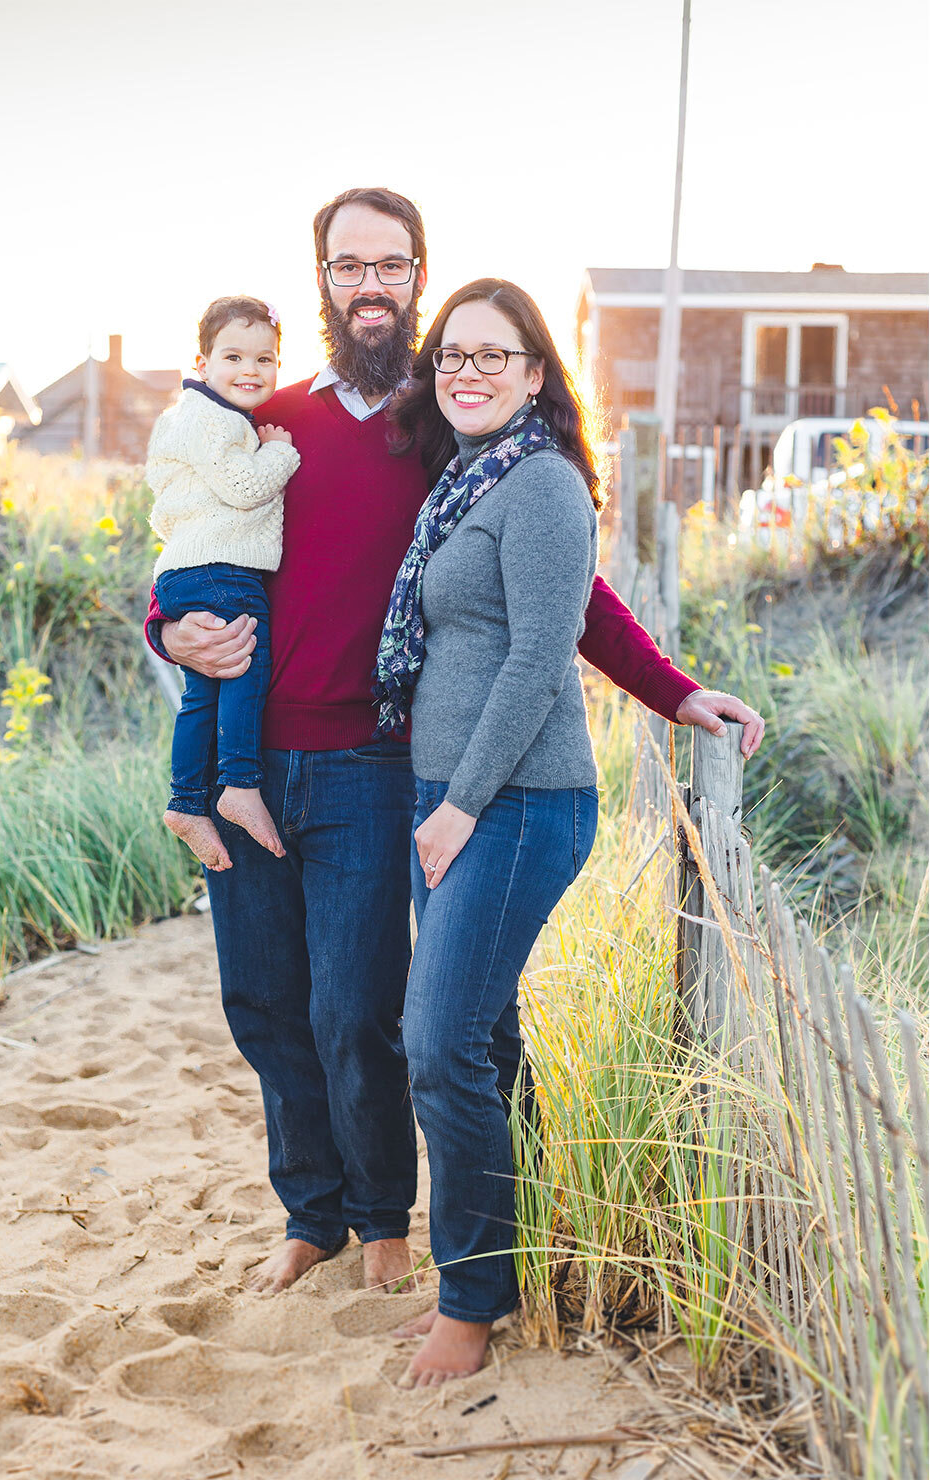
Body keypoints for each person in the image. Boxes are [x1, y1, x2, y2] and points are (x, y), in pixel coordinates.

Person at [145, 187, 765, 1302]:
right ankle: (312, 1211)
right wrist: (167, 625)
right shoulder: (266, 424)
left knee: (357, 1010)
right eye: (348, 266)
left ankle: (385, 1213)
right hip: (249, 759)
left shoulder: (444, 429)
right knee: (264, 1005)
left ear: (418, 274)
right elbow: (194, 544)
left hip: (375, 767)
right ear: (322, 280)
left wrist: (672, 693)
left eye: (391, 265)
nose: (370, 285)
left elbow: (564, 595)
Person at [371, 277, 614, 1384]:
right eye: (450, 356)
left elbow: (538, 655)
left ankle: (471, 1301)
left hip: (517, 803)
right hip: (450, 799)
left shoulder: (547, 486)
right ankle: (527, 1241)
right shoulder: (463, 480)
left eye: (492, 355)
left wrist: (459, 807)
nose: (466, 372)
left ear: (532, 373)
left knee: (439, 1043)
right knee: (484, 1038)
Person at [147, 296, 297, 870]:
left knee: (202, 692)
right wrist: (279, 453)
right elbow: (241, 485)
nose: (251, 371)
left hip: (188, 569)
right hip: (221, 568)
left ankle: (186, 802)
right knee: (244, 665)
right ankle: (239, 785)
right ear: (202, 361)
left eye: (265, 358)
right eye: (233, 356)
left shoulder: (190, 416)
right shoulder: (214, 419)